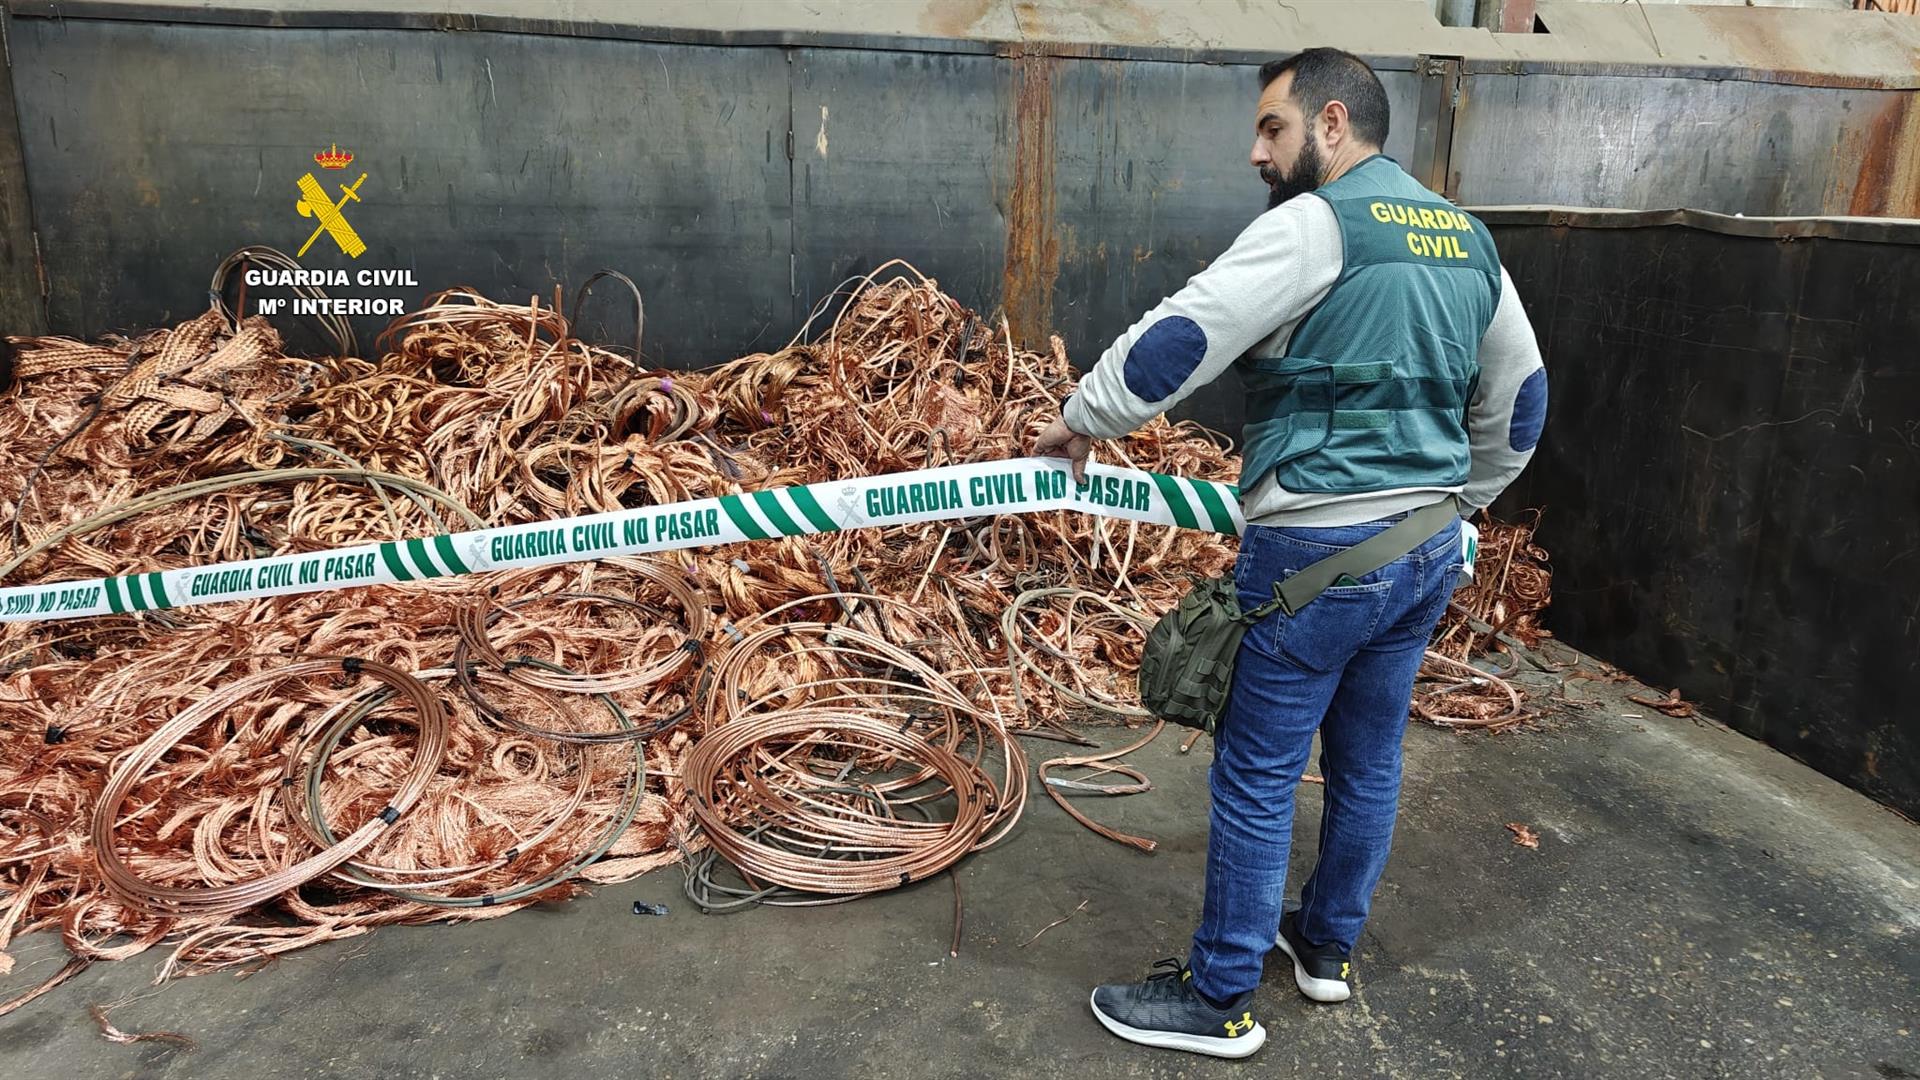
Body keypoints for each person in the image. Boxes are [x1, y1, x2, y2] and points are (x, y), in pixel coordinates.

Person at [1031, 47, 1548, 1059]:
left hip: (1316, 552)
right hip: (1424, 550)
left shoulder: (1317, 224)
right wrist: (1462, 501)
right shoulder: (1467, 238)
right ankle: (1323, 947)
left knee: (1259, 775)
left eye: (1273, 127)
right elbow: (1523, 401)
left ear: (1334, 122)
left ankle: (1220, 996)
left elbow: (1182, 338)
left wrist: (1084, 415)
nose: (1257, 152)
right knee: (1369, 760)